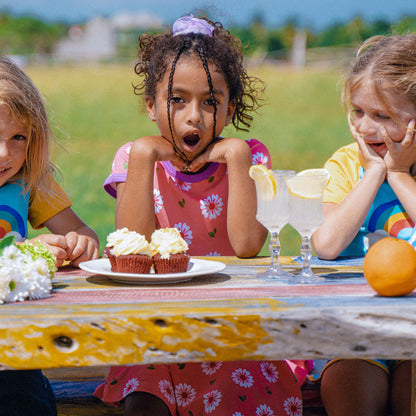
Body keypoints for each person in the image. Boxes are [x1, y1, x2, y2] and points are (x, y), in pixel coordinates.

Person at [95, 15, 310, 416]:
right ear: (150, 106)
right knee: (145, 394)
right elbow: (132, 247)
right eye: (177, 100)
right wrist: (144, 156)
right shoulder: (134, 157)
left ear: (229, 110)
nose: (193, 116)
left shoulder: (251, 158)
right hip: (158, 323)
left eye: (210, 101)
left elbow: (247, 246)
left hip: (233, 318)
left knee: (242, 381)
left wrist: (238, 156)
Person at [311, 34, 416, 416]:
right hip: (355, 331)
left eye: (382, 116)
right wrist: (374, 172)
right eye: (358, 112)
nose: (367, 128)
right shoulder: (344, 165)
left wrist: (400, 174)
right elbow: (326, 244)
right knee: (347, 387)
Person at [0, 57, 99, 415]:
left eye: (18, 138)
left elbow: (82, 232)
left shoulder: (30, 184)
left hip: (17, 354)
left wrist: (79, 243)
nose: (5, 154)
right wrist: (23, 252)